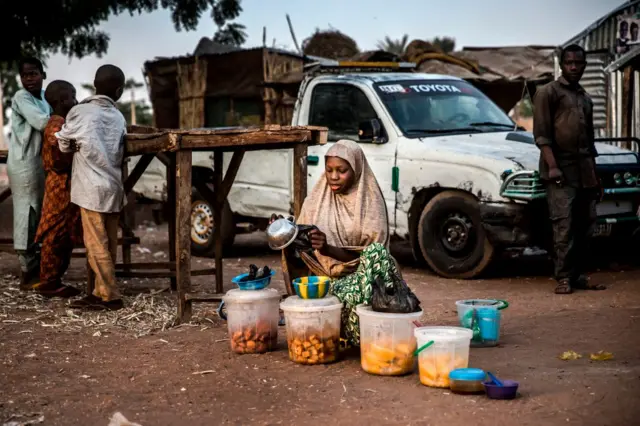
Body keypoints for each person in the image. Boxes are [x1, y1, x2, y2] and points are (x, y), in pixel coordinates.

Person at [281, 139, 407, 346]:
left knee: (376, 255)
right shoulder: (316, 200)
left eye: (342, 170)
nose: (334, 177)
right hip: (326, 280)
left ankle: (363, 333)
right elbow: (299, 247)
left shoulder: (370, 203)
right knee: (328, 295)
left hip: (365, 280)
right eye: (329, 170)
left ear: (356, 169)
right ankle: (343, 329)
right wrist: (285, 231)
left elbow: (371, 256)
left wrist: (328, 248)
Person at [533, 44, 606, 295]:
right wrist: (553, 167)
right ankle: (563, 277)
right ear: (562, 64)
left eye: (578, 63)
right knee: (563, 224)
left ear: (585, 66)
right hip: (560, 170)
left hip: (584, 170)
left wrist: (595, 177)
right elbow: (542, 135)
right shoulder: (547, 93)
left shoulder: (585, 98)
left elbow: (590, 141)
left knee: (586, 225)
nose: (574, 67)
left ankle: (578, 276)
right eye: (569, 63)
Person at [56, 65, 127, 311]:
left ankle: (109, 295)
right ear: (118, 91)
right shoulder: (119, 117)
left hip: (90, 188)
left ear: (95, 84)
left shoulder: (80, 111)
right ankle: (100, 290)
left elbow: (63, 143)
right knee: (109, 243)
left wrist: (75, 147)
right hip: (114, 187)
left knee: (96, 244)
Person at [33, 80, 82, 298]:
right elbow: (59, 147)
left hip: (63, 183)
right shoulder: (56, 124)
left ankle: (54, 280)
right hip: (59, 184)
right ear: (63, 101)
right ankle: (49, 282)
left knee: (64, 233)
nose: (76, 100)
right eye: (73, 96)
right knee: (55, 233)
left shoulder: (62, 121)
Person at [7, 57, 51, 290]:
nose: (29, 79)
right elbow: (43, 123)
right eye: (25, 75)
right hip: (24, 163)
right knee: (26, 212)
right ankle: (27, 271)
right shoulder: (21, 97)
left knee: (38, 212)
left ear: (43, 74)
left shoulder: (44, 98)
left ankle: (38, 267)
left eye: (33, 73)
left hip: (38, 163)